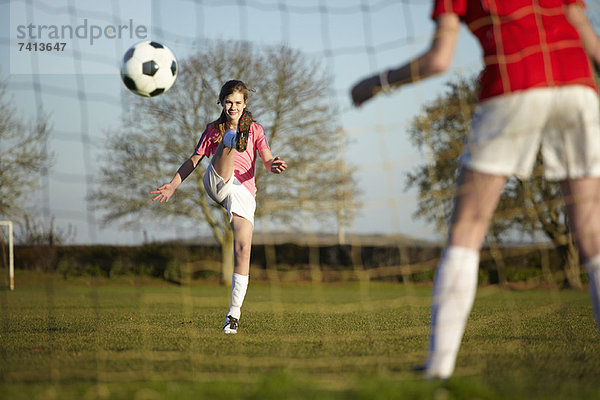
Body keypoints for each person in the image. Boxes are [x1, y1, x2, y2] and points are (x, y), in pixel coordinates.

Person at [351, 0, 600, 379]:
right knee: (593, 234)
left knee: (468, 227)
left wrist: (376, 83)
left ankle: (438, 369)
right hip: (579, 88)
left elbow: (439, 60)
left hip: (514, 83)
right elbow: (591, 43)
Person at [151, 80, 287, 334]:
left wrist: (273, 165)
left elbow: (267, 159)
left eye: (238, 102)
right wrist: (173, 185)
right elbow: (194, 160)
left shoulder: (257, 130)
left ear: (245, 103)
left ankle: (233, 315)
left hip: (243, 192)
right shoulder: (212, 129)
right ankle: (233, 138)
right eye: (228, 102)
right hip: (217, 181)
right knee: (227, 139)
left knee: (244, 248)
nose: (232, 107)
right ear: (222, 102)